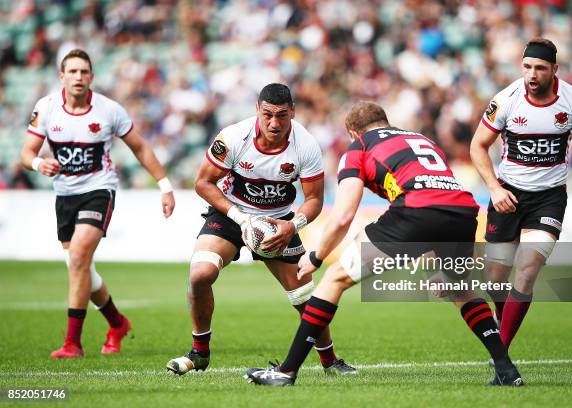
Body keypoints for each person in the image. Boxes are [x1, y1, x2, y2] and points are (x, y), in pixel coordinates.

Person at [246, 101, 523, 386]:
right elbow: (437, 195)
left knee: (334, 279)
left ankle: (286, 371)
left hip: (415, 211)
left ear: (353, 133)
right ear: (385, 122)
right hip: (464, 212)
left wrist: (316, 257)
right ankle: (506, 370)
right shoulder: (419, 138)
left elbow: (342, 216)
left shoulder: (359, 147)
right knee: (460, 291)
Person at [165, 83, 355, 376]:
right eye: (267, 115)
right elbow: (203, 183)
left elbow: (315, 199)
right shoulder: (232, 137)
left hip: (279, 220)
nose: (274, 123)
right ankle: (199, 353)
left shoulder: (305, 145)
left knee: (303, 296)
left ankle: (330, 361)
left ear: (292, 111)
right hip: (232, 214)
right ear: (257, 109)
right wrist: (241, 219)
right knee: (200, 274)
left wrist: (293, 224)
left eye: (282, 115)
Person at [20, 49, 176, 359]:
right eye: (72, 72)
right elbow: (26, 153)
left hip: (99, 190)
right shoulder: (46, 108)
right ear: (61, 77)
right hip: (64, 195)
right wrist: (39, 164)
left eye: (84, 72)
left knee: (78, 256)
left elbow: (141, 148)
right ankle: (117, 323)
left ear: (91, 76)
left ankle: (72, 344)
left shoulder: (109, 110)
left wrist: (165, 186)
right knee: (80, 267)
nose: (78, 77)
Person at [470, 37, 572, 351]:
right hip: (507, 195)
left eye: (540, 68)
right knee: (494, 281)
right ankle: (504, 328)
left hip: (549, 198)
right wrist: (493, 187)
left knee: (528, 270)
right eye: (527, 67)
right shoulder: (506, 100)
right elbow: (477, 145)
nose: (532, 75)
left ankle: (500, 353)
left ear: (554, 69)